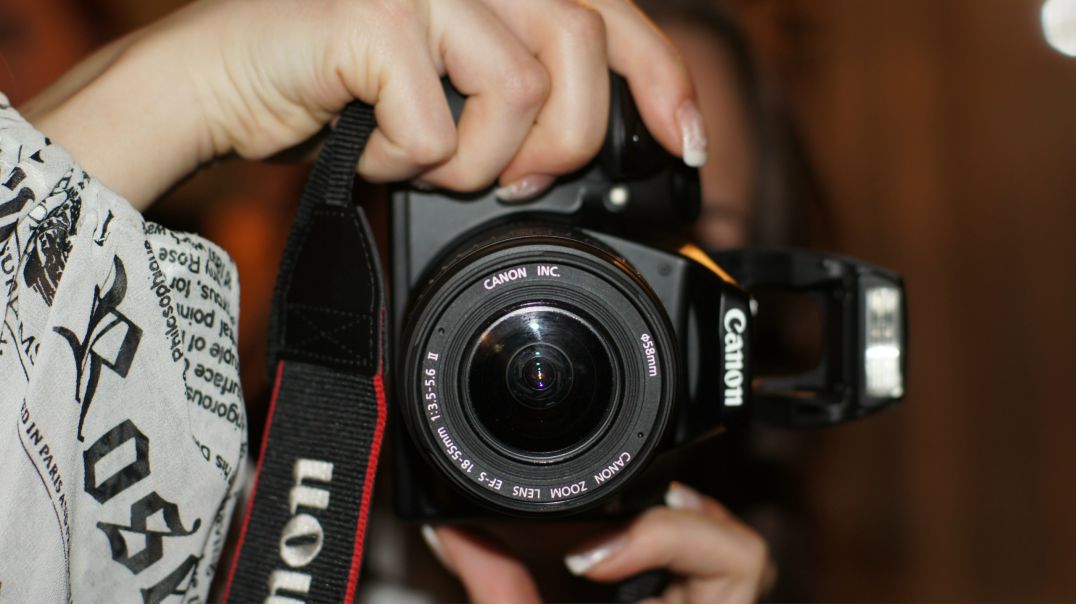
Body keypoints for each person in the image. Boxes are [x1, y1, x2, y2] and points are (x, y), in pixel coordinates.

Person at [0, 0, 770, 602]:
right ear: (361, 224)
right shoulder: (174, 490)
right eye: (508, 207)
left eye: (654, 242)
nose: (557, 279)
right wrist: (202, 84)